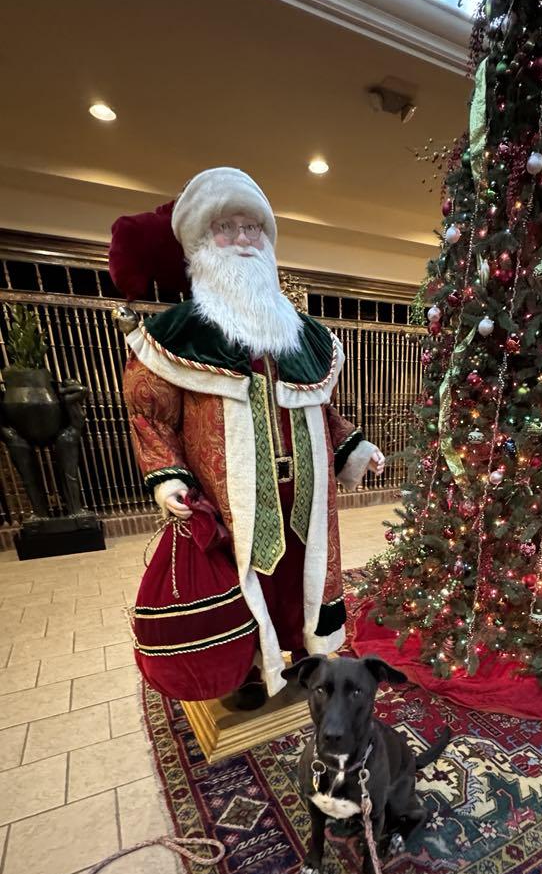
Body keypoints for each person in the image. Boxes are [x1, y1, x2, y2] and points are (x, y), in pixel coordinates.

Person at [122, 167, 384, 708]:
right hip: (232, 502)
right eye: (228, 228)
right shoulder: (178, 335)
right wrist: (167, 476)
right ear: (200, 243)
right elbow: (151, 415)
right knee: (247, 583)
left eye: (253, 228)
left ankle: (303, 653)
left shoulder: (299, 333)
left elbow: (318, 407)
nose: (243, 239)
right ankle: (246, 671)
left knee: (300, 582)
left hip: (306, 502)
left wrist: (352, 445)